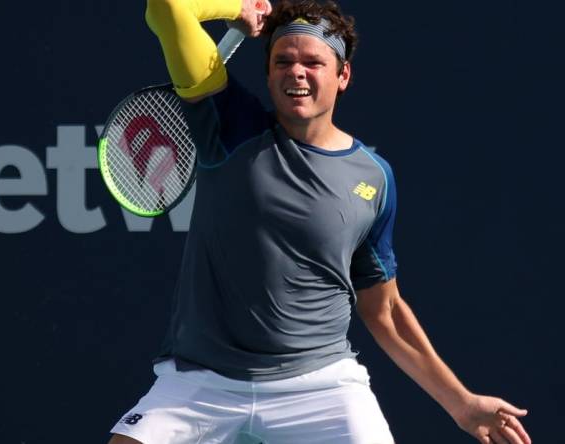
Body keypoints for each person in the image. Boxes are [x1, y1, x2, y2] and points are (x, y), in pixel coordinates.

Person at [109, 0, 532, 443]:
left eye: (313, 62)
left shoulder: (373, 178)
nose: (296, 72)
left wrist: (461, 403)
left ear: (342, 76)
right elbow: (167, 6)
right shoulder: (227, 125)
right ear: (269, 72)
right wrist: (237, 9)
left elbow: (383, 308)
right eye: (283, 61)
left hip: (320, 385)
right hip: (201, 383)